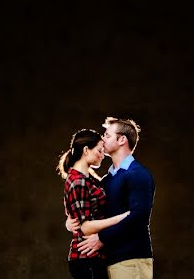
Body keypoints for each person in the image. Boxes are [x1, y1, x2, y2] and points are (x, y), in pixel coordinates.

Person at [70, 117, 155, 279]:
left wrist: (102, 238)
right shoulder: (107, 180)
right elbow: (88, 208)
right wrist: (71, 222)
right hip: (108, 261)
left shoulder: (138, 174)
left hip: (131, 259)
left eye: (107, 135)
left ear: (122, 139)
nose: (102, 139)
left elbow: (139, 216)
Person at [58, 129, 131, 279]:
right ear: (86, 150)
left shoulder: (87, 178)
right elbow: (85, 227)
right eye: (99, 150)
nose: (103, 155)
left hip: (94, 257)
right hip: (86, 258)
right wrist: (124, 217)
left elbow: (81, 216)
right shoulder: (78, 181)